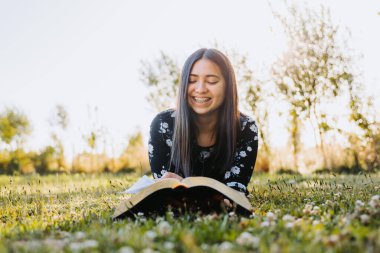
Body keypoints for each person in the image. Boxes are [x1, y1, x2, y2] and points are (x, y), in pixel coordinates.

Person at [148, 48, 258, 195]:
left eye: (211, 81)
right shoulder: (162, 125)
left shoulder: (246, 128)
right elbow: (163, 185)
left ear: (228, 87)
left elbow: (236, 188)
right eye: (192, 80)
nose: (200, 89)